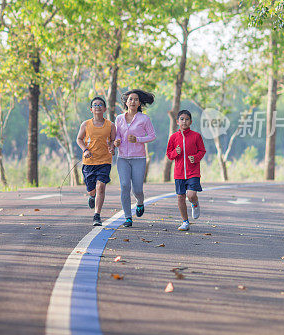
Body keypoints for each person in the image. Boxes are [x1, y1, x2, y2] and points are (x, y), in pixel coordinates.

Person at [112, 89, 156, 227]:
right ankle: (128, 217)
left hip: (139, 158)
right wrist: (116, 141)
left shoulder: (144, 119)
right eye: (130, 99)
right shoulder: (119, 118)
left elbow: (152, 136)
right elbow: (117, 135)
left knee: (137, 189)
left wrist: (138, 139)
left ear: (139, 103)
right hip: (123, 158)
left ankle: (140, 202)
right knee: (125, 186)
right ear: (126, 102)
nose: (133, 101)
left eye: (136, 99)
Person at [76, 96, 116, 226]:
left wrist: (112, 147)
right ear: (91, 109)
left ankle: (97, 215)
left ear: (104, 109)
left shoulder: (110, 125)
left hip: (104, 161)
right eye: (95, 105)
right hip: (89, 162)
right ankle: (92, 196)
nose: (97, 107)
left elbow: (112, 141)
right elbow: (79, 139)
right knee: (91, 190)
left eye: (100, 105)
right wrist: (85, 150)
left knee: (101, 187)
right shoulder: (86, 124)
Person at [165, 109, 206, 231]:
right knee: (180, 197)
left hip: (193, 171)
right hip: (179, 173)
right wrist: (175, 153)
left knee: (191, 194)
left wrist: (196, 158)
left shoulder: (196, 136)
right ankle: (185, 222)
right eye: (182, 119)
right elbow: (168, 154)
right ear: (177, 122)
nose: (184, 121)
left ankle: (195, 203)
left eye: (187, 119)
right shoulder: (173, 137)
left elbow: (202, 151)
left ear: (191, 122)